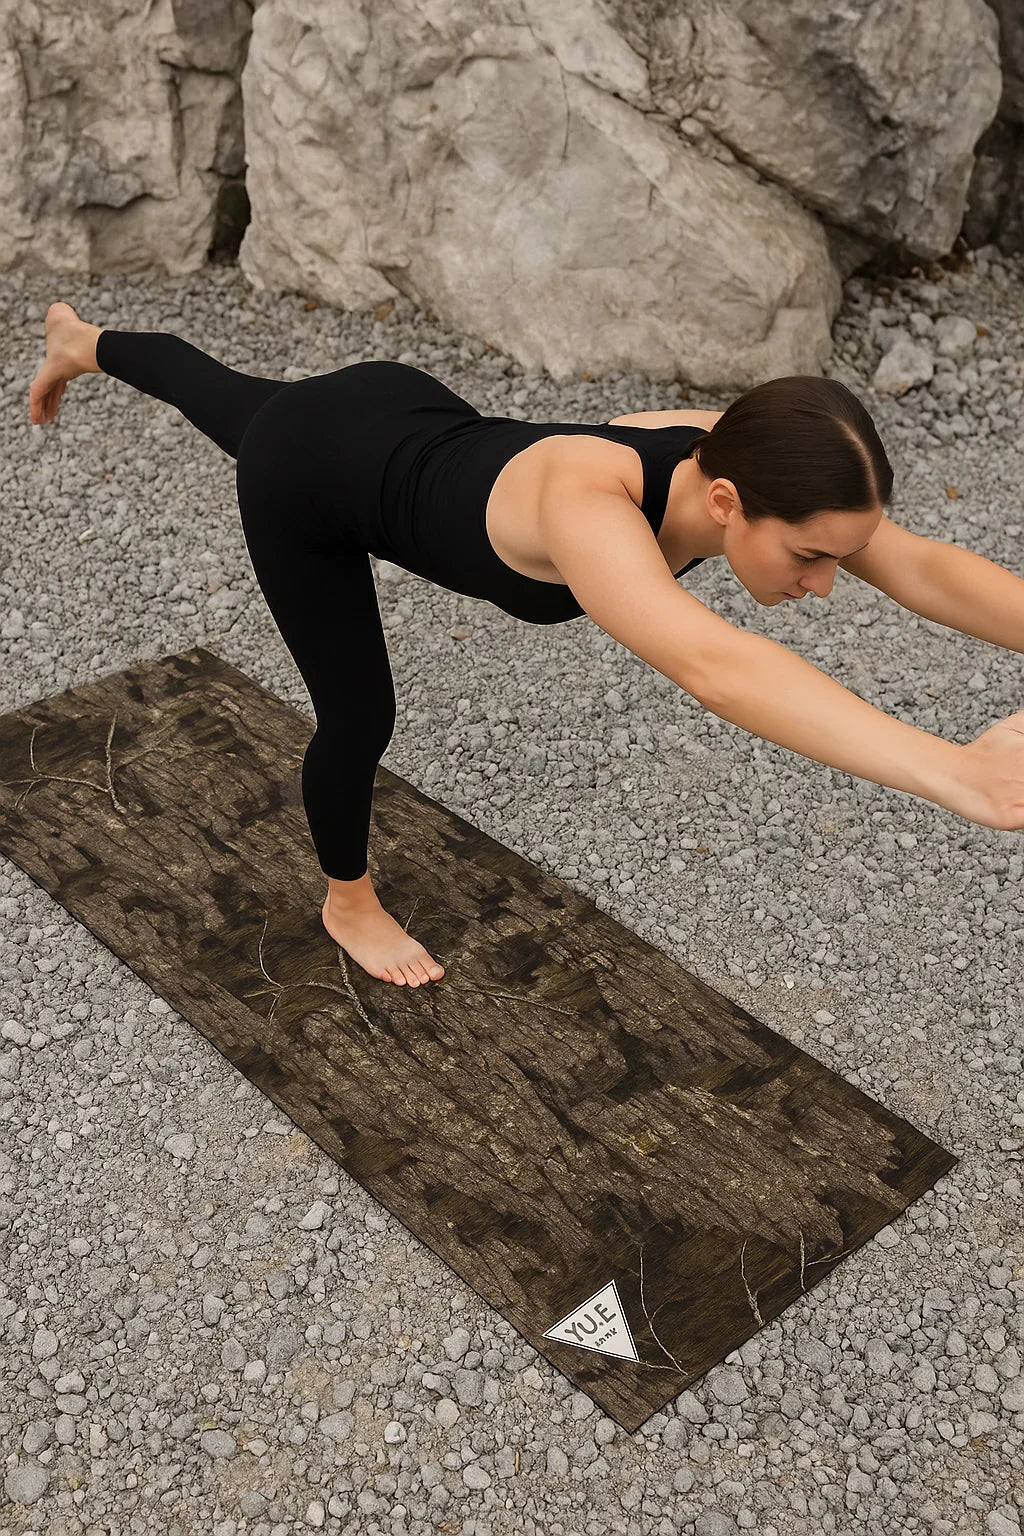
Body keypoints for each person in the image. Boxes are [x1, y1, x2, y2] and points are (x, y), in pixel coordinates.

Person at [29, 302, 1024, 987]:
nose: (826, 583)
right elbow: (715, 666)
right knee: (357, 712)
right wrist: (951, 772)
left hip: (404, 406)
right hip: (313, 476)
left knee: (227, 391)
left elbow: (923, 567)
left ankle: (80, 340)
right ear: (725, 502)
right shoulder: (589, 507)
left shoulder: (747, 452)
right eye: (811, 557)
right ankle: (347, 902)